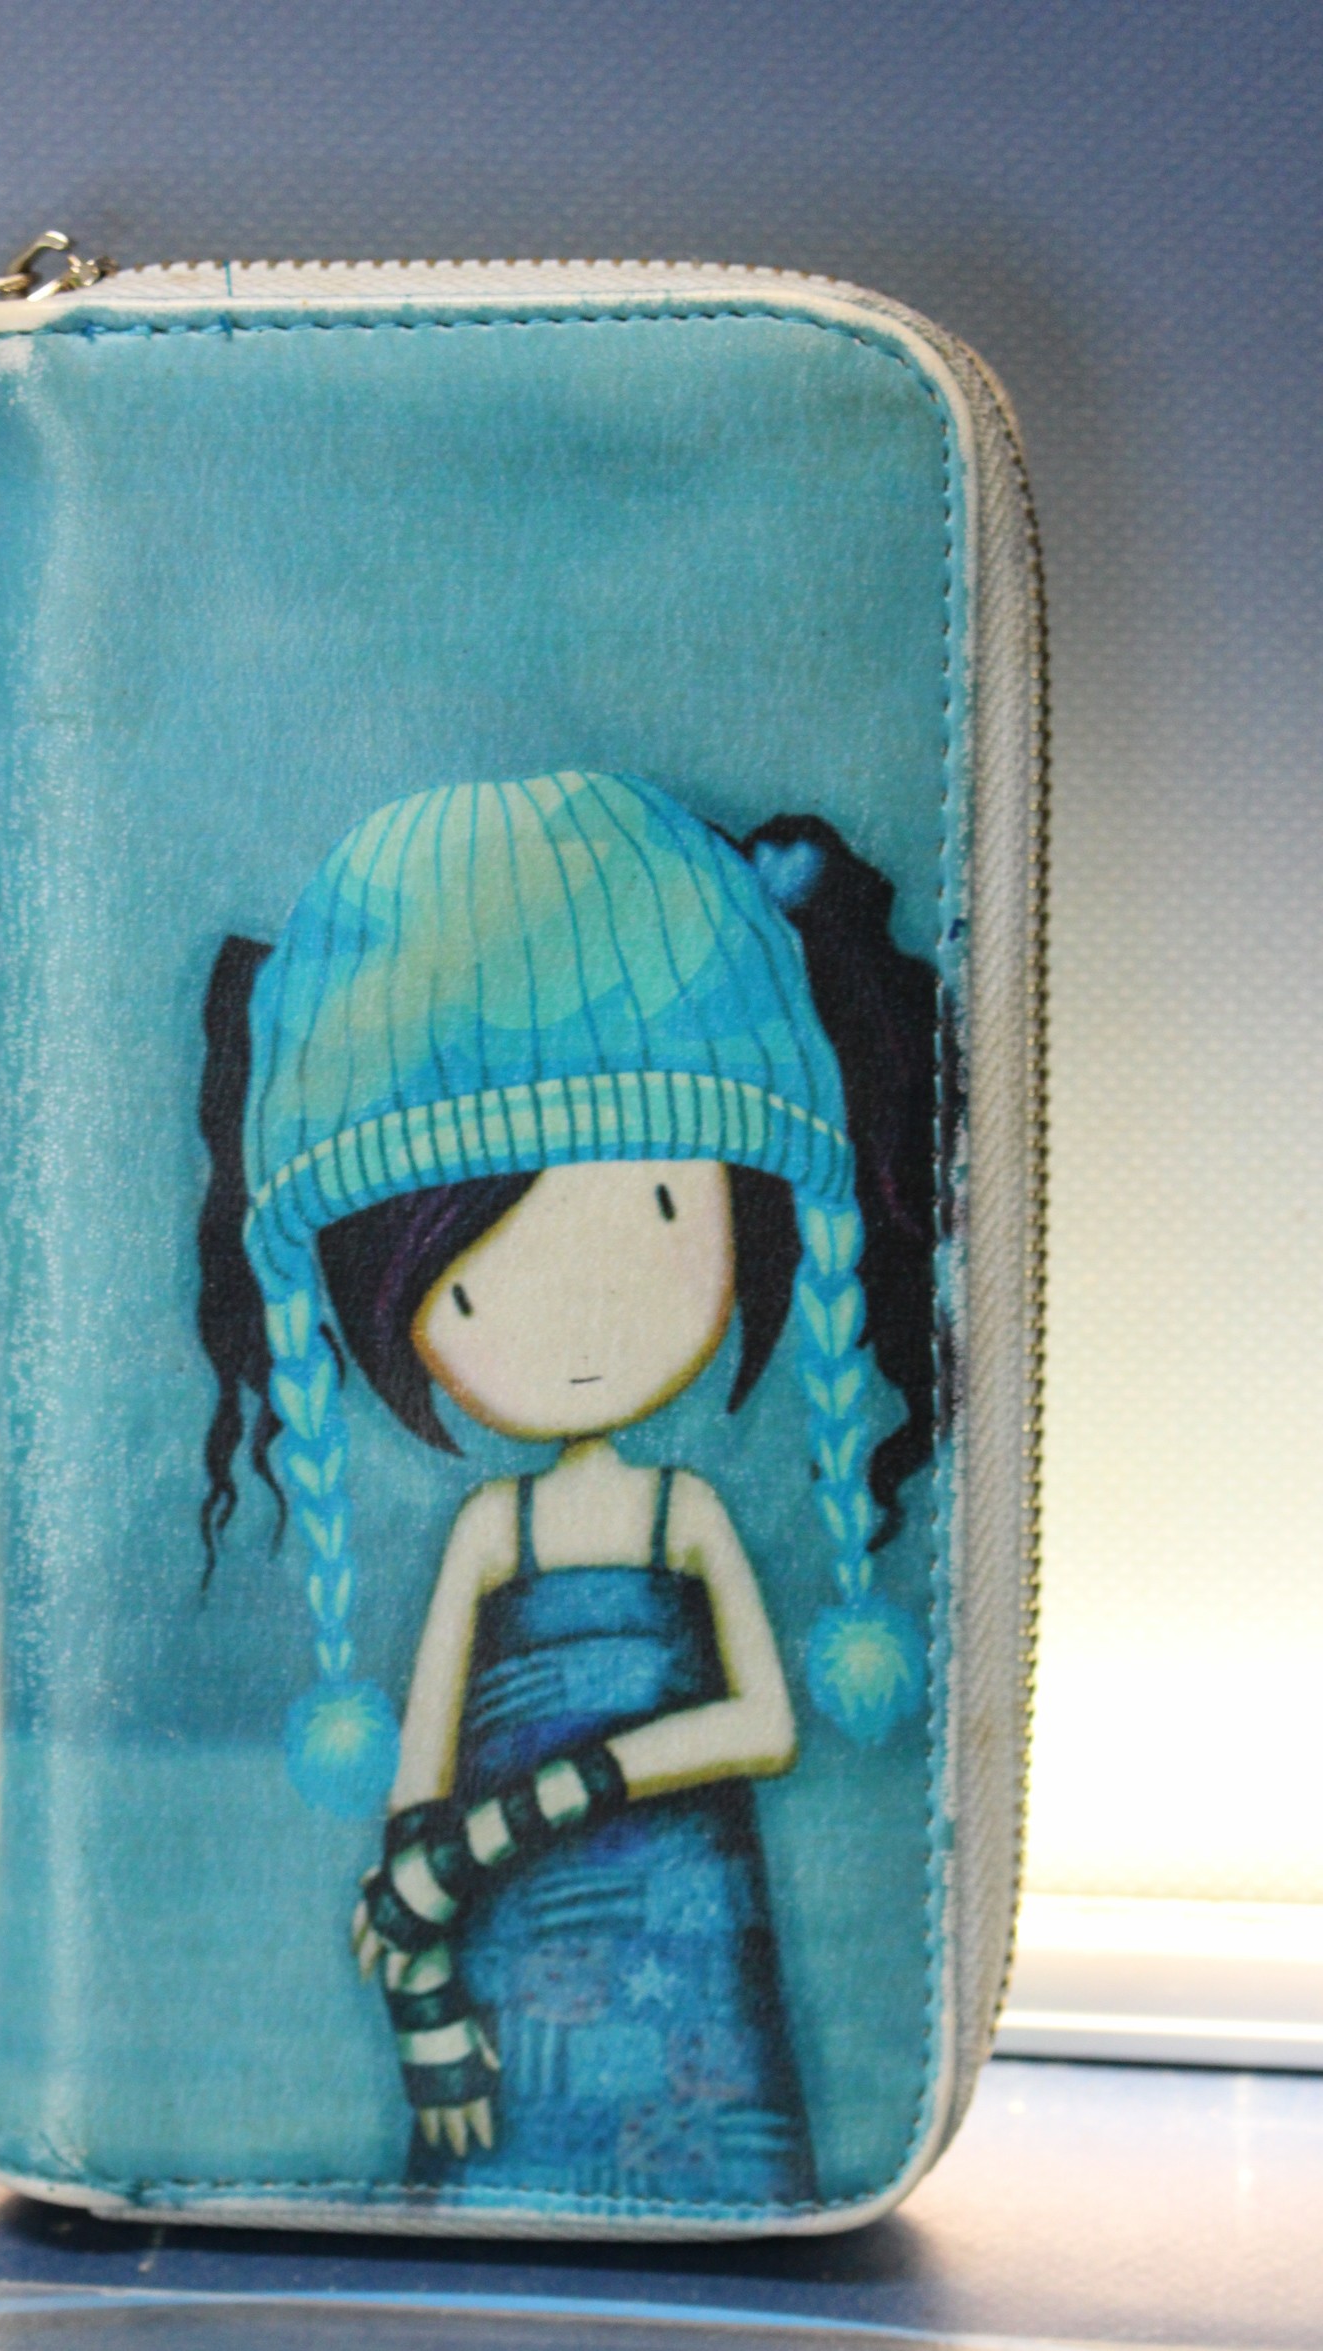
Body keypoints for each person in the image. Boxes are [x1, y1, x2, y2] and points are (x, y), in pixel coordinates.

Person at [196, 771, 941, 2205]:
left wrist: (515, 1816)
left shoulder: (683, 1518)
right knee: (501, 2145)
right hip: (508, 1925)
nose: (581, 1321)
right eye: (478, 1279)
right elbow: (418, 1778)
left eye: (662, 1208)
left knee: (708, 2144)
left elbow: (763, 1722)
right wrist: (419, 1969)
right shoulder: (495, 1531)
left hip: (669, 1917)